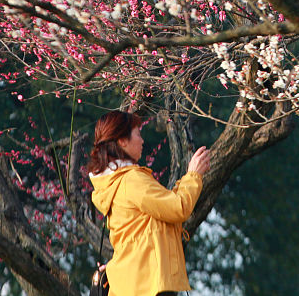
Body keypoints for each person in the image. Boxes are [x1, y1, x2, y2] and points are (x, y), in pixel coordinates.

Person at [88, 111, 212, 296]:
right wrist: (193, 175)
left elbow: (163, 209)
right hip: (148, 284)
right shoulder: (131, 180)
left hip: (131, 283)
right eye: (138, 133)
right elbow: (178, 208)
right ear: (122, 140)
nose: (142, 140)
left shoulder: (113, 183)